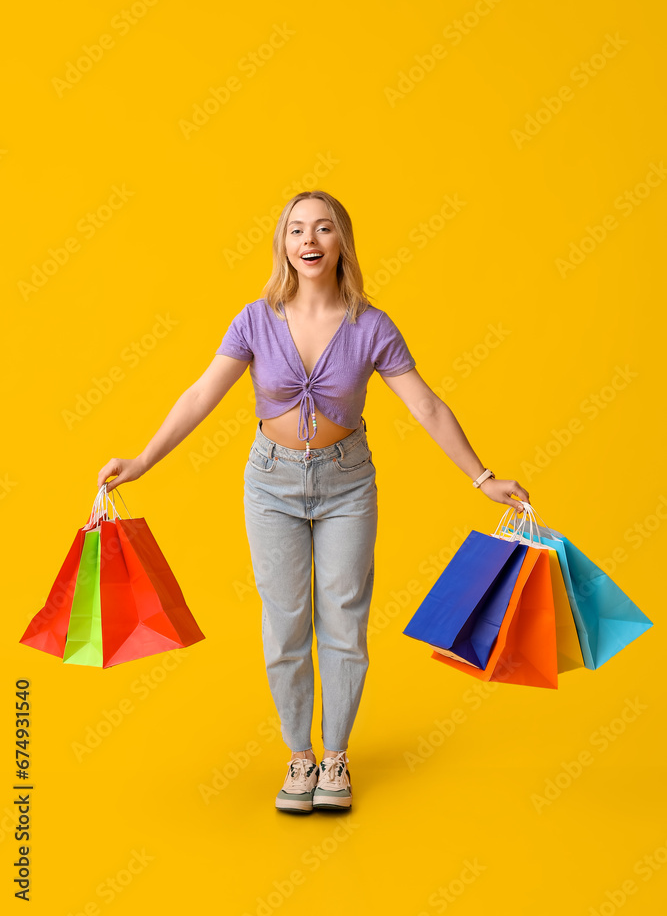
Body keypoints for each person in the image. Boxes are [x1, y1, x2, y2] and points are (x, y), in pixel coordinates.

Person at [97, 189, 529, 815]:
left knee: (345, 621)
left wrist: (482, 477)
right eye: (296, 229)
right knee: (284, 622)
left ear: (340, 243)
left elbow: (427, 405)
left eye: (323, 229)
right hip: (269, 484)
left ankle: (336, 758)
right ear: (283, 244)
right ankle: (299, 755)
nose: (309, 240)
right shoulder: (254, 319)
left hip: (347, 482)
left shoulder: (371, 325)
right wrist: (142, 460)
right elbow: (199, 395)